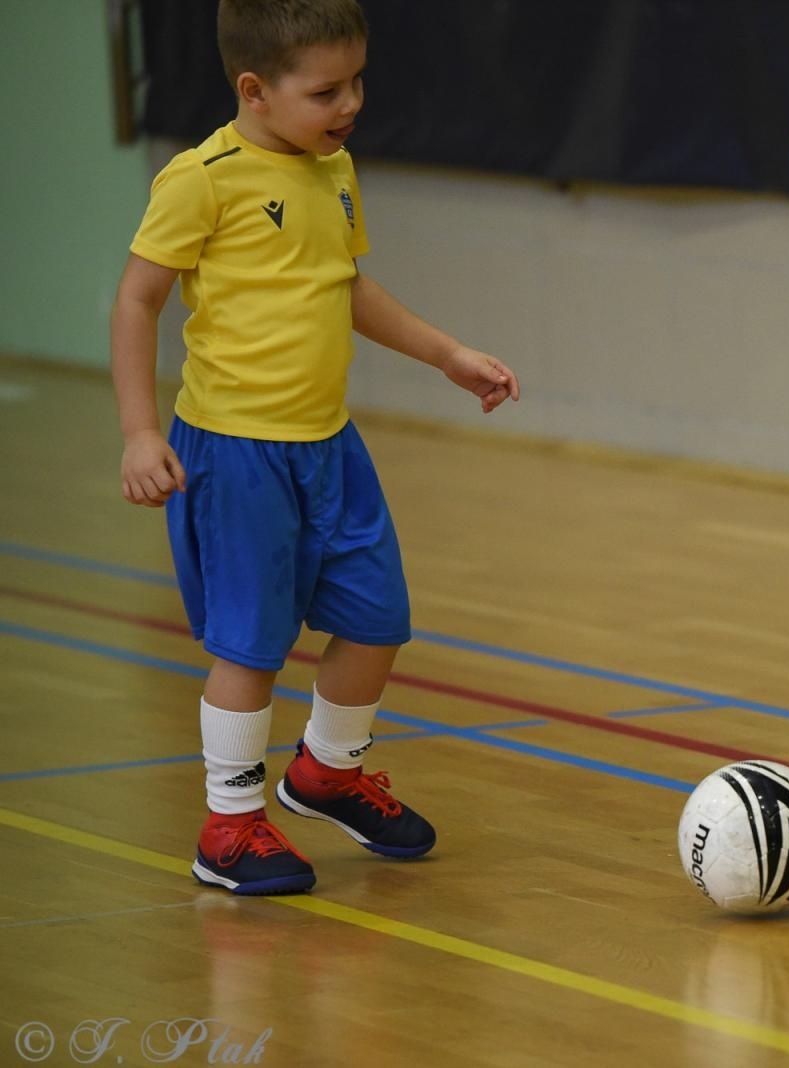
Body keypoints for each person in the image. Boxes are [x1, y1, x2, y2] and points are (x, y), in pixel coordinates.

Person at [111, 0, 521, 895]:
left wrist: (446, 353)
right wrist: (142, 431)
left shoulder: (334, 167)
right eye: (327, 90)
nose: (351, 105)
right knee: (252, 649)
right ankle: (229, 826)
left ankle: (328, 770)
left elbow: (346, 285)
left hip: (330, 450)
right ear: (254, 90)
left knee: (377, 623)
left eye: (358, 82)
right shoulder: (200, 178)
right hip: (236, 457)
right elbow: (137, 300)